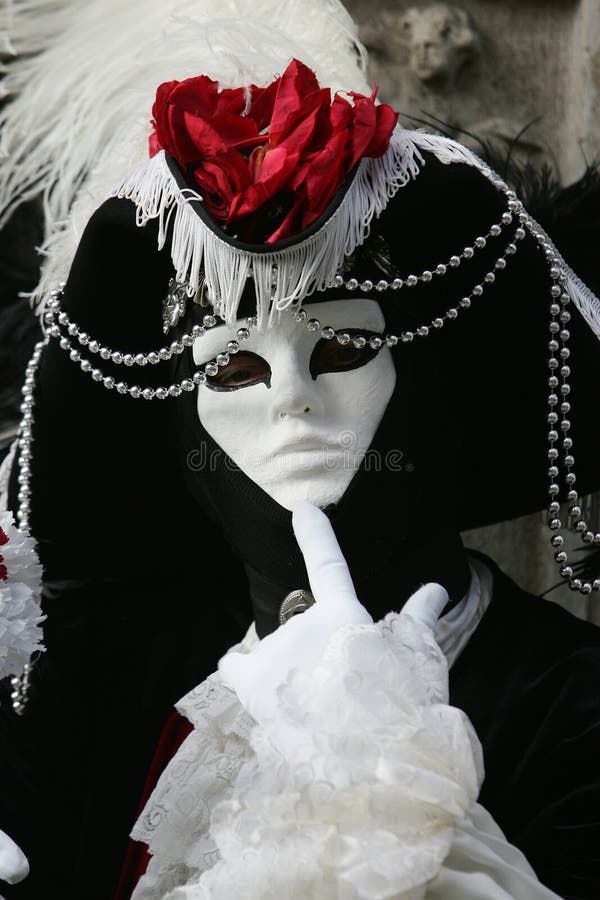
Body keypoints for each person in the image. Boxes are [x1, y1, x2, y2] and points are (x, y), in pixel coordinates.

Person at [0, 2, 599, 898]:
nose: (293, 399)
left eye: (345, 349)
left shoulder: (572, 705)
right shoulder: (109, 680)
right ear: (181, 427)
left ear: (436, 393)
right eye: (235, 366)